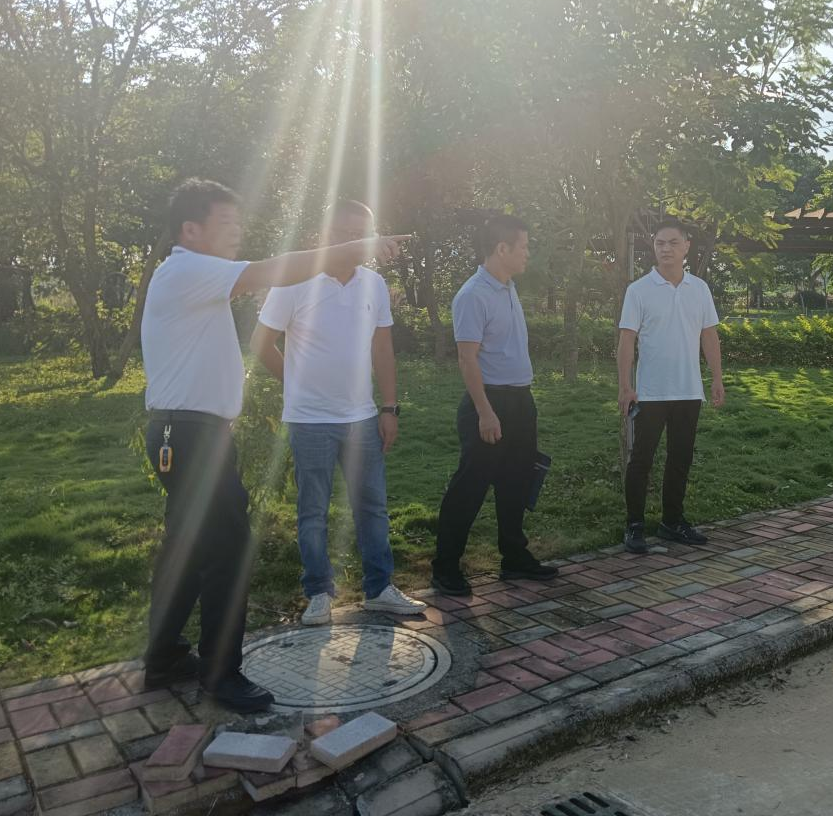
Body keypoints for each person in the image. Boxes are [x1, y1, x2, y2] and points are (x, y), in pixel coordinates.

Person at [141, 178, 405, 711]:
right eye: (226, 223)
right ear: (190, 229)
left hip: (188, 434)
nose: (238, 231)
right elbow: (274, 271)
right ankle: (221, 674)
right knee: (228, 550)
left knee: (187, 547)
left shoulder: (189, 275)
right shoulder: (188, 269)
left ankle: (164, 656)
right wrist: (357, 247)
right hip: (190, 436)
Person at [250, 199, 426, 626]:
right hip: (309, 420)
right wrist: (294, 383)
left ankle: (379, 589)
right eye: (344, 233)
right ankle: (318, 593)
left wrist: (389, 407)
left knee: (372, 506)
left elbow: (382, 349)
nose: (353, 241)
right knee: (313, 511)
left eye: (361, 234)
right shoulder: (295, 282)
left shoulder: (374, 285)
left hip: (361, 418)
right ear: (325, 235)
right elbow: (260, 343)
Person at [429, 215, 559, 596]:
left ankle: (514, 557)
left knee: (516, 482)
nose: (528, 253)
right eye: (524, 247)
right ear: (502, 249)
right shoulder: (473, 295)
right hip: (488, 403)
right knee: (470, 487)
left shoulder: (507, 287)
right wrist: (485, 412)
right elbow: (467, 358)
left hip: (520, 400)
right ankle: (445, 567)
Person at [617, 219, 725, 554]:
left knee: (680, 459)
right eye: (660, 243)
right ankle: (634, 525)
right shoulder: (639, 290)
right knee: (641, 460)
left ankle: (672, 522)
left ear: (686, 246)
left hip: (688, 390)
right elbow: (626, 340)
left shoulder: (700, 289)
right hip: (650, 392)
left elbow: (709, 336)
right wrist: (625, 386)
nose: (666, 249)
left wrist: (717, 378)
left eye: (673, 243)